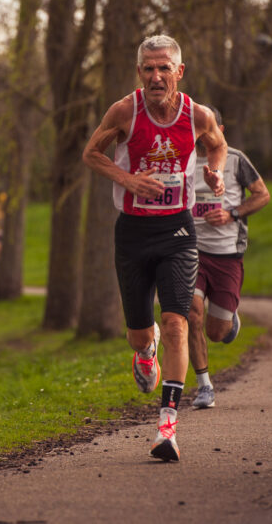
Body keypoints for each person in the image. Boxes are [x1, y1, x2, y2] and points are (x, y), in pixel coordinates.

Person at [82, 34, 227, 462]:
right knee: (139, 333)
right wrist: (128, 180)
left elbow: (217, 144)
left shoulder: (197, 115)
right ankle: (146, 350)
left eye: (164, 68)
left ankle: (167, 429)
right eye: (148, 68)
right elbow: (91, 153)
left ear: (179, 72)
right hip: (132, 232)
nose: (156, 76)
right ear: (139, 72)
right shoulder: (125, 110)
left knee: (179, 322)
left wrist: (215, 172)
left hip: (177, 231)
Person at [187, 108, 270, 409]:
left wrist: (231, 214)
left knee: (216, 331)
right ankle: (204, 386)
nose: (201, 134)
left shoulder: (236, 160)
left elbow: (263, 194)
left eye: (207, 129)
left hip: (226, 255)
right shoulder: (182, 161)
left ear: (218, 129)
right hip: (190, 252)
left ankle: (229, 320)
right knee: (192, 314)